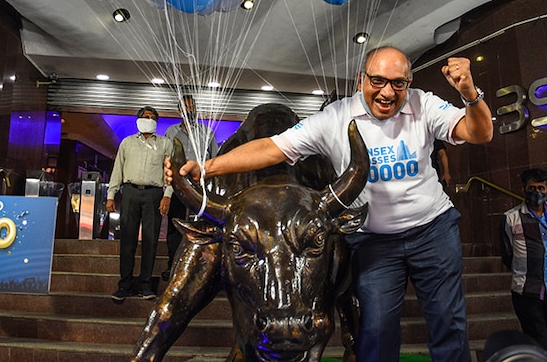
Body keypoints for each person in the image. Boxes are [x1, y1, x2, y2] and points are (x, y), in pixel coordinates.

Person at [168, 46, 493, 362]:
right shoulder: (335, 117)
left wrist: (469, 94)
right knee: (376, 330)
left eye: (398, 83)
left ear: (408, 83)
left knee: (447, 323)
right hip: (374, 239)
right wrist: (207, 167)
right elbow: (272, 148)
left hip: (432, 231)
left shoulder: (425, 104)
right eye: (377, 81)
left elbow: (479, 132)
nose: (387, 92)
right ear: (360, 80)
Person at [500, 168, 547, 359]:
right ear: (524, 189)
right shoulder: (510, 218)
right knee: (537, 343)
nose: (536, 192)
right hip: (527, 291)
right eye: (531, 188)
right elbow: (507, 254)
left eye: (541, 188)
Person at [106, 106, 172, 301]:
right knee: (127, 241)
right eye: (145, 117)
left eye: (153, 117)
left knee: (151, 241)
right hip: (130, 192)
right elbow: (117, 169)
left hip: (153, 194)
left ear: (156, 122)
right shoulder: (127, 143)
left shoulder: (165, 144)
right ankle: (124, 285)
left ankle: (145, 285)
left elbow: (170, 174)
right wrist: (111, 194)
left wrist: (167, 195)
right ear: (138, 120)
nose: (149, 119)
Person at [162, 95, 218, 280]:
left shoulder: (207, 132)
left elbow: (215, 159)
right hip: (178, 186)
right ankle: (174, 267)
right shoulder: (171, 132)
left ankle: (200, 270)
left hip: (202, 189)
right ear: (180, 111)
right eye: (185, 108)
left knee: (202, 228)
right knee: (175, 227)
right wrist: (168, 191)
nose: (189, 111)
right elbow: (167, 160)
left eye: (192, 107)